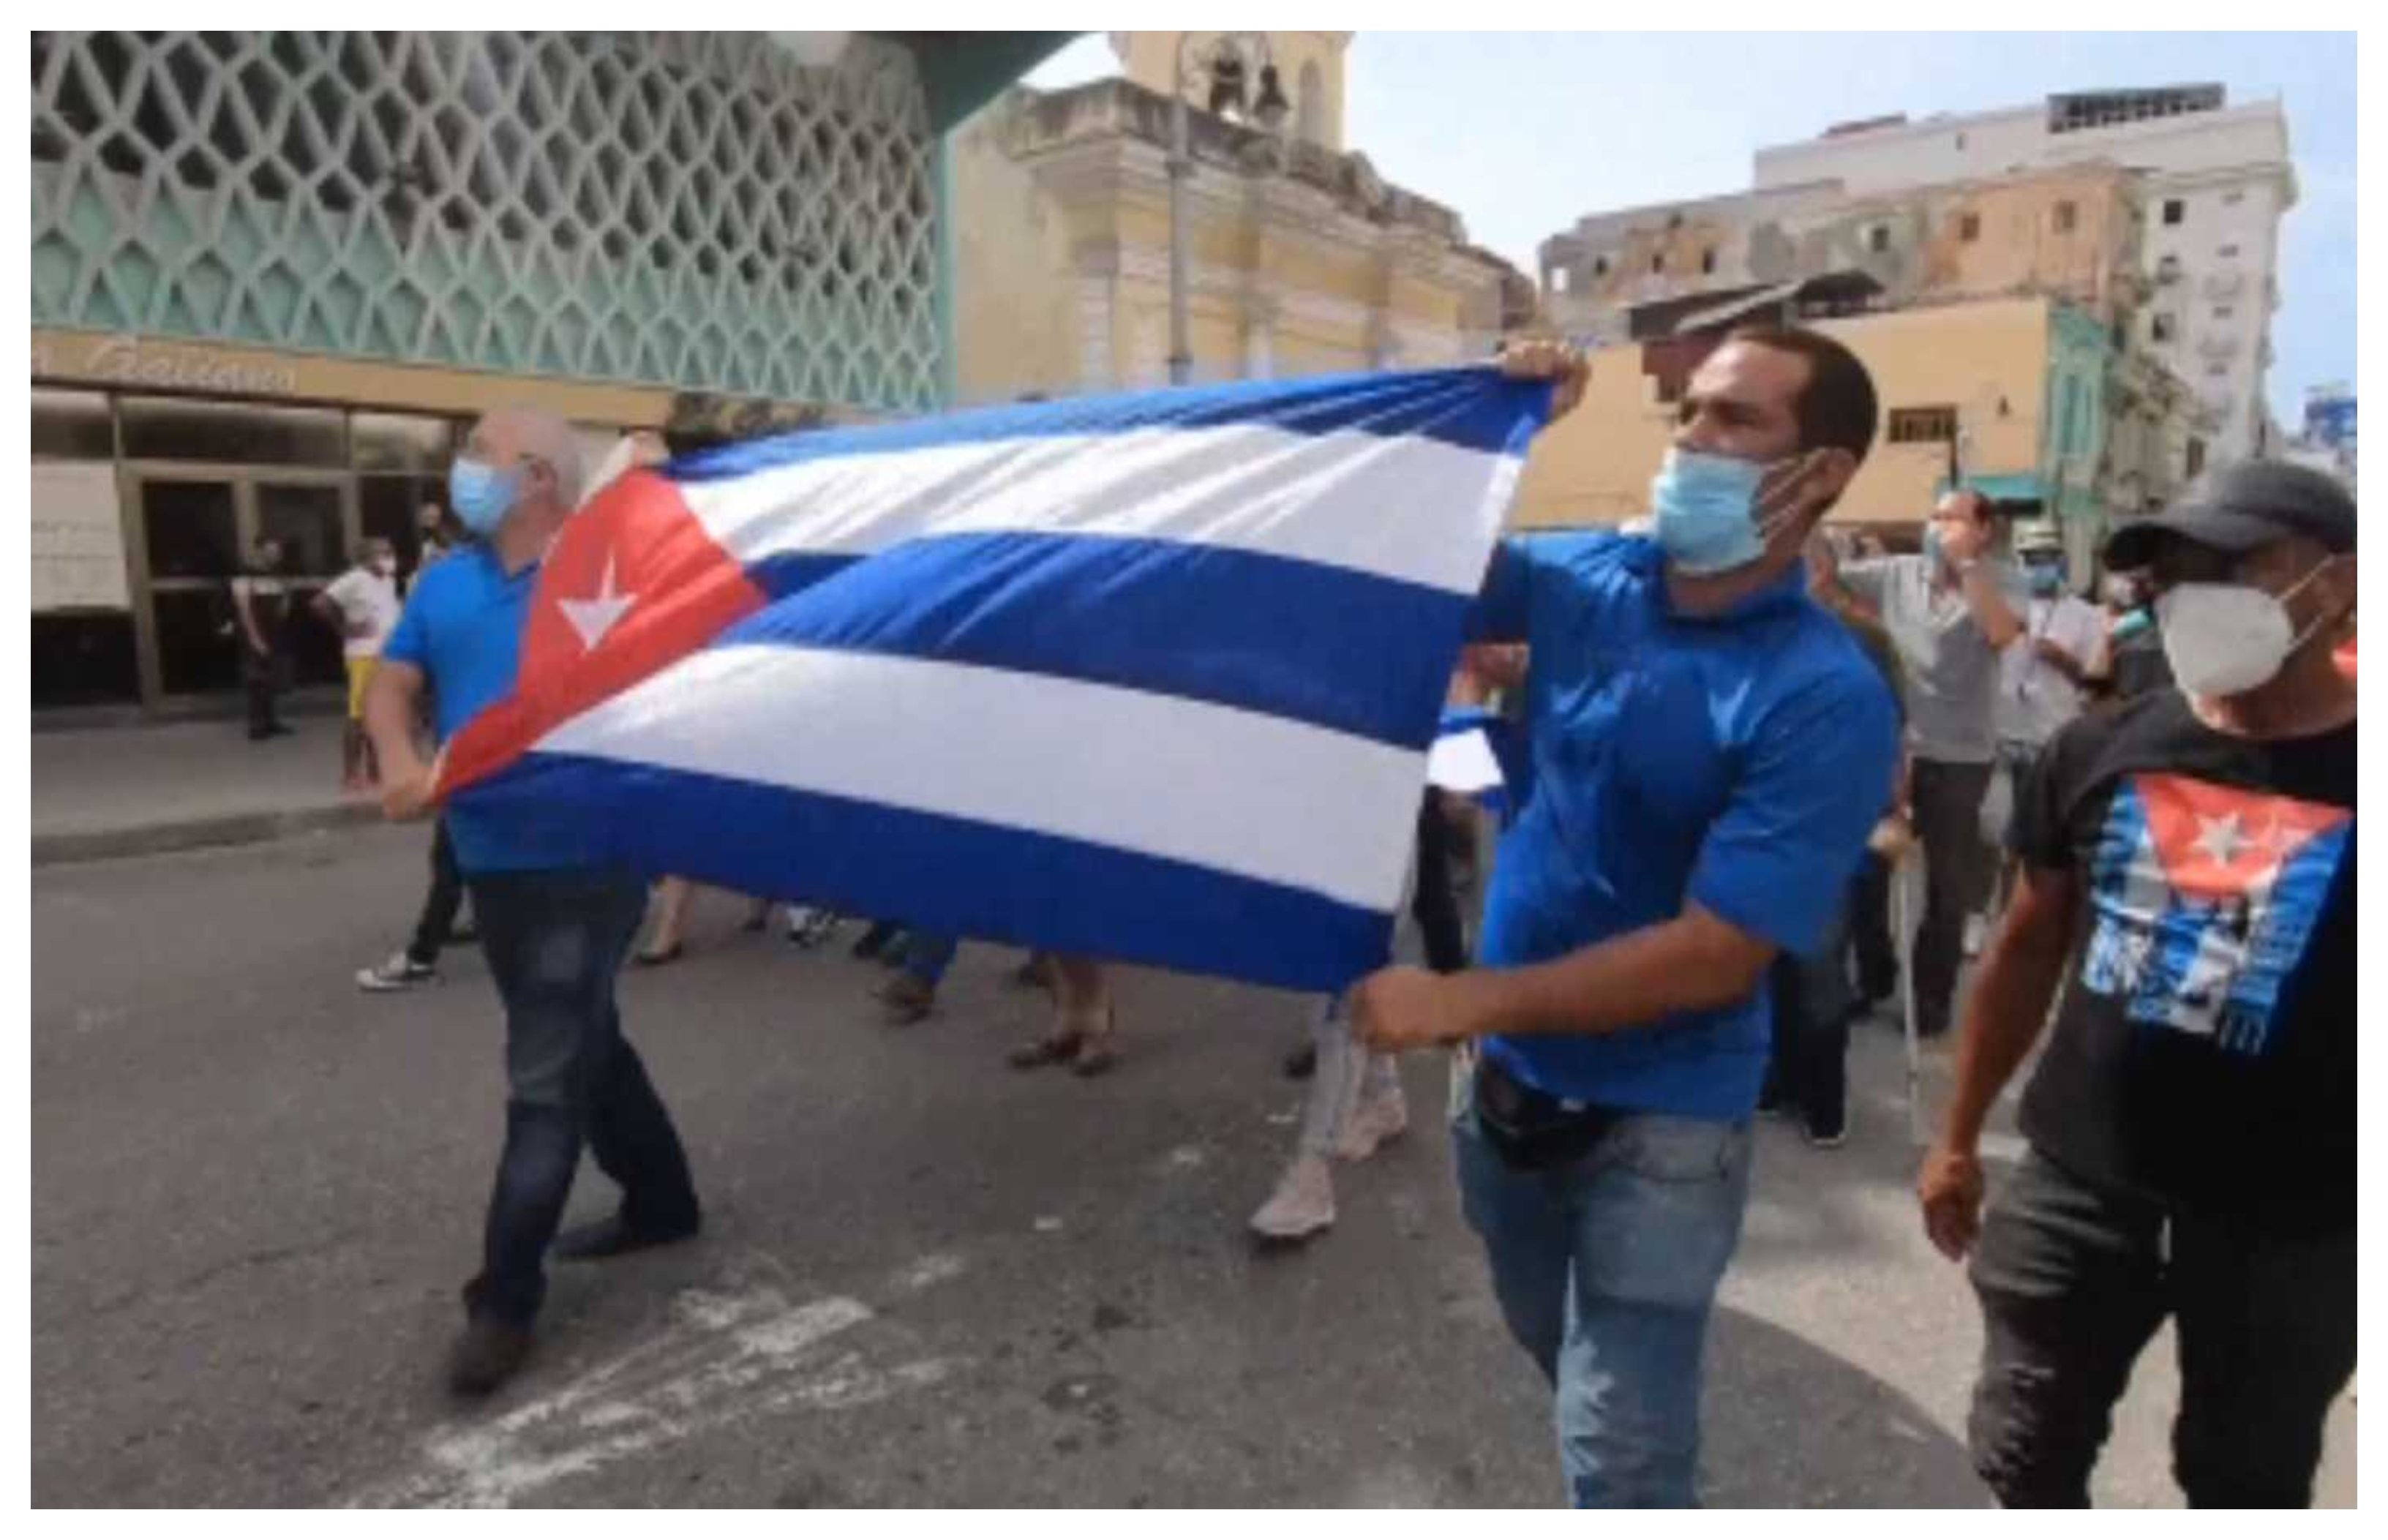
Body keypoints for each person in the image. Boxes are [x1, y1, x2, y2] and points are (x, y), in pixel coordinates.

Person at [1353, 329, 1901, 1506]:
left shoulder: (1825, 697)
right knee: (1550, 1344)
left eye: (1736, 419)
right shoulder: (1588, 579)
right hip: (1505, 1089)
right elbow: (1408, 570)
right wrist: (1500, 432)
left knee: (1621, 1446)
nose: (1692, 439)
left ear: (1824, 471)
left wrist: (1455, 999)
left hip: (1663, 1122)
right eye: (1688, 411)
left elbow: (1715, 956)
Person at [1918, 461, 2356, 1508]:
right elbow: (2026, 949)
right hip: (2080, 1189)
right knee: (2020, 1457)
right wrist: (1958, 1135)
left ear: (2337, 584)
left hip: (2295, 1222)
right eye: (2173, 570)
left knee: (2246, 1480)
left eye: (2233, 564)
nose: (2190, 593)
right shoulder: (2101, 747)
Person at [364, 405, 702, 1397]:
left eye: (481, 451)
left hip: (592, 860)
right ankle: (664, 1200)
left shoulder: (613, 571)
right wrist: (398, 759)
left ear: (540, 478)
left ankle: (503, 1300)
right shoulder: (447, 580)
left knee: (546, 1076)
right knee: (586, 1035)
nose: (462, 466)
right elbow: (392, 684)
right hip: (490, 862)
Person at [1822, 488, 2026, 1037]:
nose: (1938, 527)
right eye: (1934, 517)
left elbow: (2001, 633)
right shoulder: (1898, 574)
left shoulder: (2004, 580)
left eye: (1952, 519)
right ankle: (1874, 977)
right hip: (1892, 749)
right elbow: (1829, 574)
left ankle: (1930, 997)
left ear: (1982, 530)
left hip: (1960, 757)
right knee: (1868, 871)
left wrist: (1967, 568)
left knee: (1946, 888)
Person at [1759, 533, 1910, 1148]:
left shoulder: (1864, 641)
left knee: (1818, 959)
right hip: (1768, 814)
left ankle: (1825, 1099)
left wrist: (1896, 806)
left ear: (1821, 572)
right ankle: (1778, 1081)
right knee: (1770, 958)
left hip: (1837, 817)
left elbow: (1896, 728)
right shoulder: (1762, 634)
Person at [1985, 525, 2104, 915]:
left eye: (2048, 558)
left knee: (2042, 842)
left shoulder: (2085, 615)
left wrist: (2062, 659)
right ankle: (1994, 913)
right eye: (2032, 559)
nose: (2041, 567)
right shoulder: (2002, 606)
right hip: (2003, 736)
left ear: (2062, 561)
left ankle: (2036, 915)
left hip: (2053, 738)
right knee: (1998, 837)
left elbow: (2095, 682)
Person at [312, 538, 404, 790]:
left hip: (386, 654)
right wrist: (344, 628)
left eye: (390, 552)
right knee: (358, 714)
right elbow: (320, 603)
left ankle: (376, 769)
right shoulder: (355, 579)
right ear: (366, 557)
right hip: (364, 655)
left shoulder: (387, 581)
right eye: (382, 553)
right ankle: (351, 773)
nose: (389, 558)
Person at [230, 534, 294, 741]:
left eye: (278, 552)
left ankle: (271, 721)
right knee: (256, 678)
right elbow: (244, 610)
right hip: (255, 631)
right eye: (271, 551)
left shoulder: (276, 575)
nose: (276, 555)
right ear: (259, 551)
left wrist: (286, 597)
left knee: (272, 678)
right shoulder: (244, 574)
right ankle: (256, 725)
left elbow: (283, 601)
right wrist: (255, 638)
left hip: (275, 632)